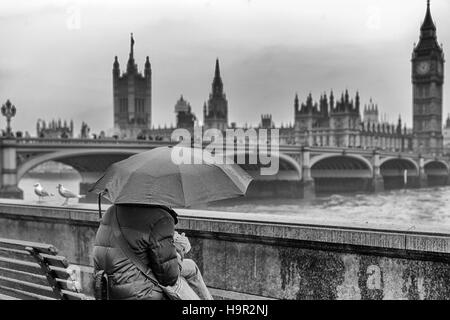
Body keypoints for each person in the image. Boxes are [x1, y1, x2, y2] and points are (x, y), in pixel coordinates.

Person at [93, 203, 212, 300]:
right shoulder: (160, 217)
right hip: (140, 292)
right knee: (176, 282)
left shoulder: (111, 211)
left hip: (107, 287)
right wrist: (179, 249)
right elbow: (169, 277)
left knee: (191, 266)